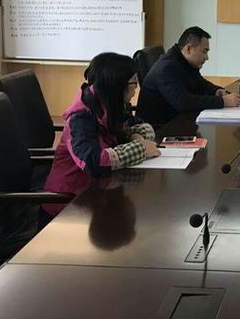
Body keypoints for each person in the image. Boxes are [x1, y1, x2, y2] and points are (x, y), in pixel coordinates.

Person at [43, 53, 161, 214]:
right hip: (70, 204)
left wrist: (137, 137)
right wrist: (141, 149)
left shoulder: (112, 103)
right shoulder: (80, 118)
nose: (136, 87)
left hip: (102, 193)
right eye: (134, 81)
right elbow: (93, 163)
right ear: (117, 85)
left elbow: (139, 125)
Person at [137, 26, 240, 128]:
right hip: (160, 129)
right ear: (188, 49)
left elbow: (200, 82)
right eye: (204, 51)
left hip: (177, 120)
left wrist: (216, 91)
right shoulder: (167, 68)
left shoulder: (182, 61)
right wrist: (223, 101)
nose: (207, 57)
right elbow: (183, 102)